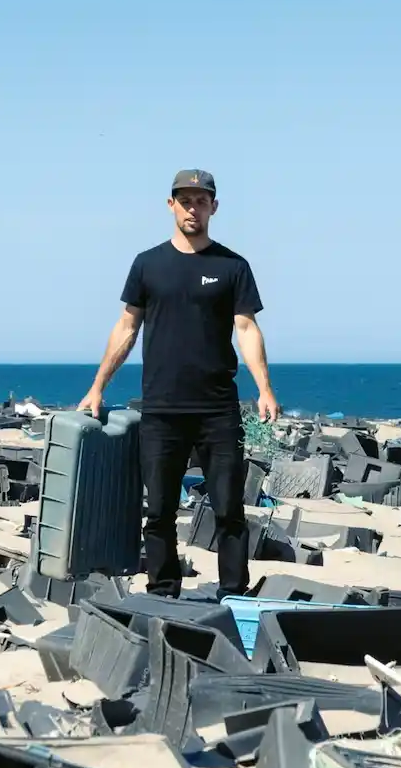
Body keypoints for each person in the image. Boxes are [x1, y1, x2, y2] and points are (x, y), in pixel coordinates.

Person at [78, 168, 278, 599]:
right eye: (185, 200)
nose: (193, 208)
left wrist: (264, 388)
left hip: (218, 409)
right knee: (160, 511)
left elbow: (246, 328)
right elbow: (127, 328)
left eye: (201, 200)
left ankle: (233, 595)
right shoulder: (147, 264)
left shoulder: (232, 266)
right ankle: (163, 592)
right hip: (163, 409)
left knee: (229, 511)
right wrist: (97, 387)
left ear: (214, 207)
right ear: (171, 205)